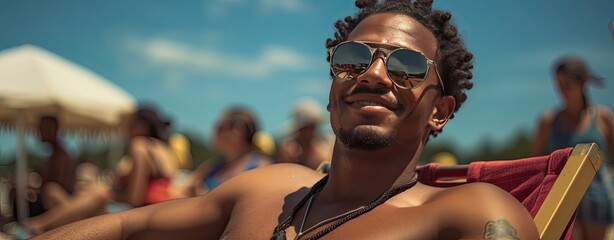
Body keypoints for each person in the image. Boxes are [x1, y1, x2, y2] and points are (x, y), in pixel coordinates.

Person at [32, 0, 538, 239]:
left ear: (440, 113)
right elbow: (128, 229)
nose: (375, 74)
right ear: (332, 89)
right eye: (353, 59)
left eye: (406, 66)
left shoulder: (469, 214)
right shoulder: (267, 190)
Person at [20, 105, 179, 233]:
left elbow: (134, 199)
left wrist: (108, 196)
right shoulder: (163, 149)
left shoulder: (139, 146)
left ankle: (40, 226)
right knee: (55, 192)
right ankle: (46, 224)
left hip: (141, 215)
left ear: (142, 126)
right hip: (159, 212)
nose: (128, 130)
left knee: (99, 193)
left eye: (131, 125)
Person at [534, 56, 614, 240]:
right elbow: (538, 163)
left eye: (567, 84)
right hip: (562, 193)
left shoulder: (603, 117)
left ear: (584, 82)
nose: (562, 91)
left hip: (598, 192)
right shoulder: (547, 120)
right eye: (559, 85)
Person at [173, 106, 273, 197]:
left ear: (238, 130)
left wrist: (205, 198)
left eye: (219, 127)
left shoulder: (262, 168)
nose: (213, 130)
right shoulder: (211, 166)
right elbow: (183, 190)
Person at [277, 99, 334, 171]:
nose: (308, 132)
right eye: (306, 128)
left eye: (311, 127)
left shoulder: (324, 150)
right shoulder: (289, 149)